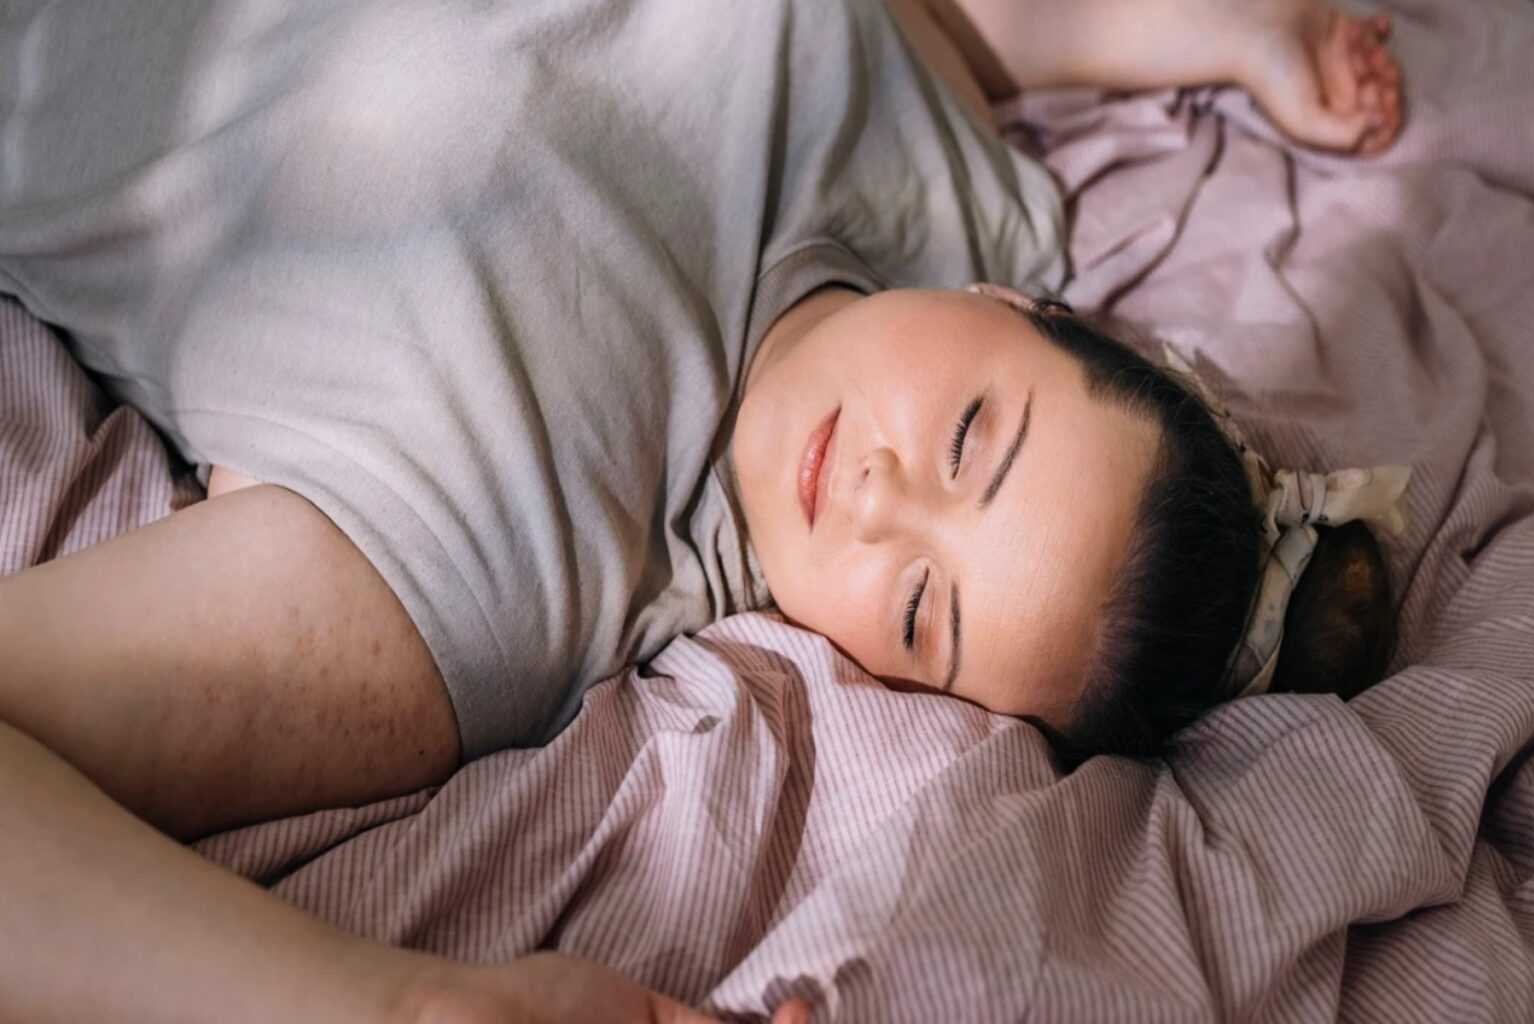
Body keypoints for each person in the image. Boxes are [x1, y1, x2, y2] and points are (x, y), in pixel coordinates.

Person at [0, 0, 1405, 1019]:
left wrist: (385, 1004)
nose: (879, 502)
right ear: (1019, 305)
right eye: (971, 436)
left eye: (922, 609)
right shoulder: (934, 170)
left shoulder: (479, 585)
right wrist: (1220, 33)